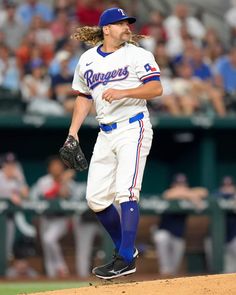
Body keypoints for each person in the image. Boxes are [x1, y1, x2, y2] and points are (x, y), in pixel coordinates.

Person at [61, 7, 163, 279]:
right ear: (106, 29)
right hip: (105, 133)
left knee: (127, 192)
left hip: (134, 127)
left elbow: (156, 88)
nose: (127, 27)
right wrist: (73, 132)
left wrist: (124, 92)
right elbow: (83, 97)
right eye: (121, 24)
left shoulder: (138, 54)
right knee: (95, 199)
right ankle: (125, 250)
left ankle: (125, 257)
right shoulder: (87, 60)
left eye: (128, 23)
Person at [30, 155, 77, 278]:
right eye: (54, 166)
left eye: (59, 166)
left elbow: (64, 194)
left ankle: (61, 267)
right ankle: (51, 278)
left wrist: (64, 182)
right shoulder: (43, 181)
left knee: (49, 239)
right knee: (47, 248)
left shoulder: (69, 182)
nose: (56, 168)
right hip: (45, 218)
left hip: (61, 219)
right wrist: (61, 181)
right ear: (49, 168)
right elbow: (48, 195)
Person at [152, 173, 208, 276]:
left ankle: (171, 276)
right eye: (178, 184)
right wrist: (190, 195)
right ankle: (164, 270)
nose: (180, 186)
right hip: (164, 230)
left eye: (182, 184)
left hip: (179, 234)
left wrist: (188, 194)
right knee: (161, 238)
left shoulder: (188, 197)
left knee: (175, 268)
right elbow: (168, 194)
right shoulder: (170, 193)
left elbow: (204, 192)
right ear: (173, 184)